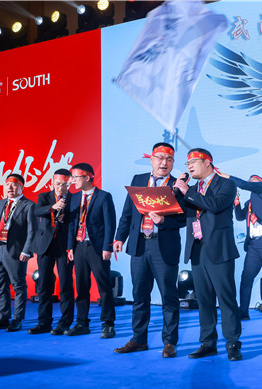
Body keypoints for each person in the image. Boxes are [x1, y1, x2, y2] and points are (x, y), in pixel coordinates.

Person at [113, 143, 186, 357]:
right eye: (160, 158)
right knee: (139, 295)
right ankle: (138, 339)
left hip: (163, 245)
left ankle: (169, 342)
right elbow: (127, 212)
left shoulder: (178, 185)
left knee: (168, 296)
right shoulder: (138, 180)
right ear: (152, 159)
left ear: (173, 162)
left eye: (169, 159)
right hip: (139, 244)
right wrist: (120, 237)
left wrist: (164, 221)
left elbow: (183, 219)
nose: (164, 163)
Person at [173, 148, 243, 361]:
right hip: (197, 249)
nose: (190, 166)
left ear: (207, 162)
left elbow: (215, 205)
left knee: (226, 298)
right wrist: (176, 192)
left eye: (193, 161)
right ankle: (207, 343)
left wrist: (187, 192)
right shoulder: (191, 189)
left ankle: (232, 343)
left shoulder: (226, 184)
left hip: (219, 249)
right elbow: (180, 215)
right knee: (203, 299)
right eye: (187, 163)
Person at [220, 172, 262, 320]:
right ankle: (243, 312)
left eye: (255, 180)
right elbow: (239, 216)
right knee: (246, 278)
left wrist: (226, 176)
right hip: (254, 245)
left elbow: (245, 184)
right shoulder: (249, 203)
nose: (252, 181)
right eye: (250, 179)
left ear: (260, 182)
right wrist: (236, 201)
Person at [66, 163, 117, 338]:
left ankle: (108, 323)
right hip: (79, 247)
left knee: (104, 286)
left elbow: (110, 224)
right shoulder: (74, 198)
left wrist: (107, 247)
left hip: (97, 248)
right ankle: (82, 323)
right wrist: (70, 247)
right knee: (81, 286)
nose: (73, 181)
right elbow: (72, 225)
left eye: (76, 177)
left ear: (87, 177)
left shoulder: (103, 196)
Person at [0, 174, 36, 332]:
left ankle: (17, 319)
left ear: (21, 187)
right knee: (0, 286)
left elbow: (32, 231)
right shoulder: (0, 203)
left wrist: (27, 250)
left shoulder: (29, 205)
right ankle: (3, 317)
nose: (10, 188)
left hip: (16, 251)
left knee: (18, 285)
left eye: (14, 185)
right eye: (7, 184)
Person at [30, 169, 75, 335]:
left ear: (70, 184)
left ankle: (65, 322)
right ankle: (44, 322)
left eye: (64, 185)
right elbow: (36, 211)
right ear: (52, 183)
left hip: (64, 246)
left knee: (65, 284)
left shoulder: (74, 199)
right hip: (45, 245)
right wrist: (53, 207)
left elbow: (76, 219)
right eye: (58, 184)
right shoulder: (44, 197)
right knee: (44, 285)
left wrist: (66, 219)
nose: (61, 188)